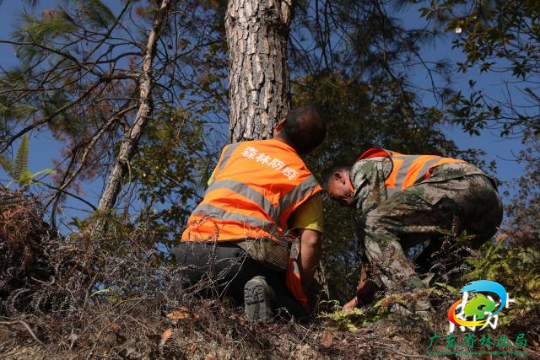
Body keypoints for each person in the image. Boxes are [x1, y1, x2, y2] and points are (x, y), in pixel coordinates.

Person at [174, 107, 326, 322]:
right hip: (241, 261)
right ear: (310, 150)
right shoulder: (305, 182)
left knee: (211, 308)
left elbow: (212, 191)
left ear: (279, 125)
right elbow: (311, 241)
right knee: (296, 315)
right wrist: (300, 293)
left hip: (190, 253)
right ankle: (268, 293)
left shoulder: (233, 151)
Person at [324, 148, 503, 314]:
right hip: (491, 207)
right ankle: (442, 324)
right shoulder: (391, 201)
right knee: (433, 269)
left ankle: (416, 314)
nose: (340, 205)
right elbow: (389, 251)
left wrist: (365, 281)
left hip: (460, 183)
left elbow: (370, 219)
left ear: (340, 177)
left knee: (370, 224)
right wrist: (361, 297)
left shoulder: (363, 166)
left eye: (335, 198)